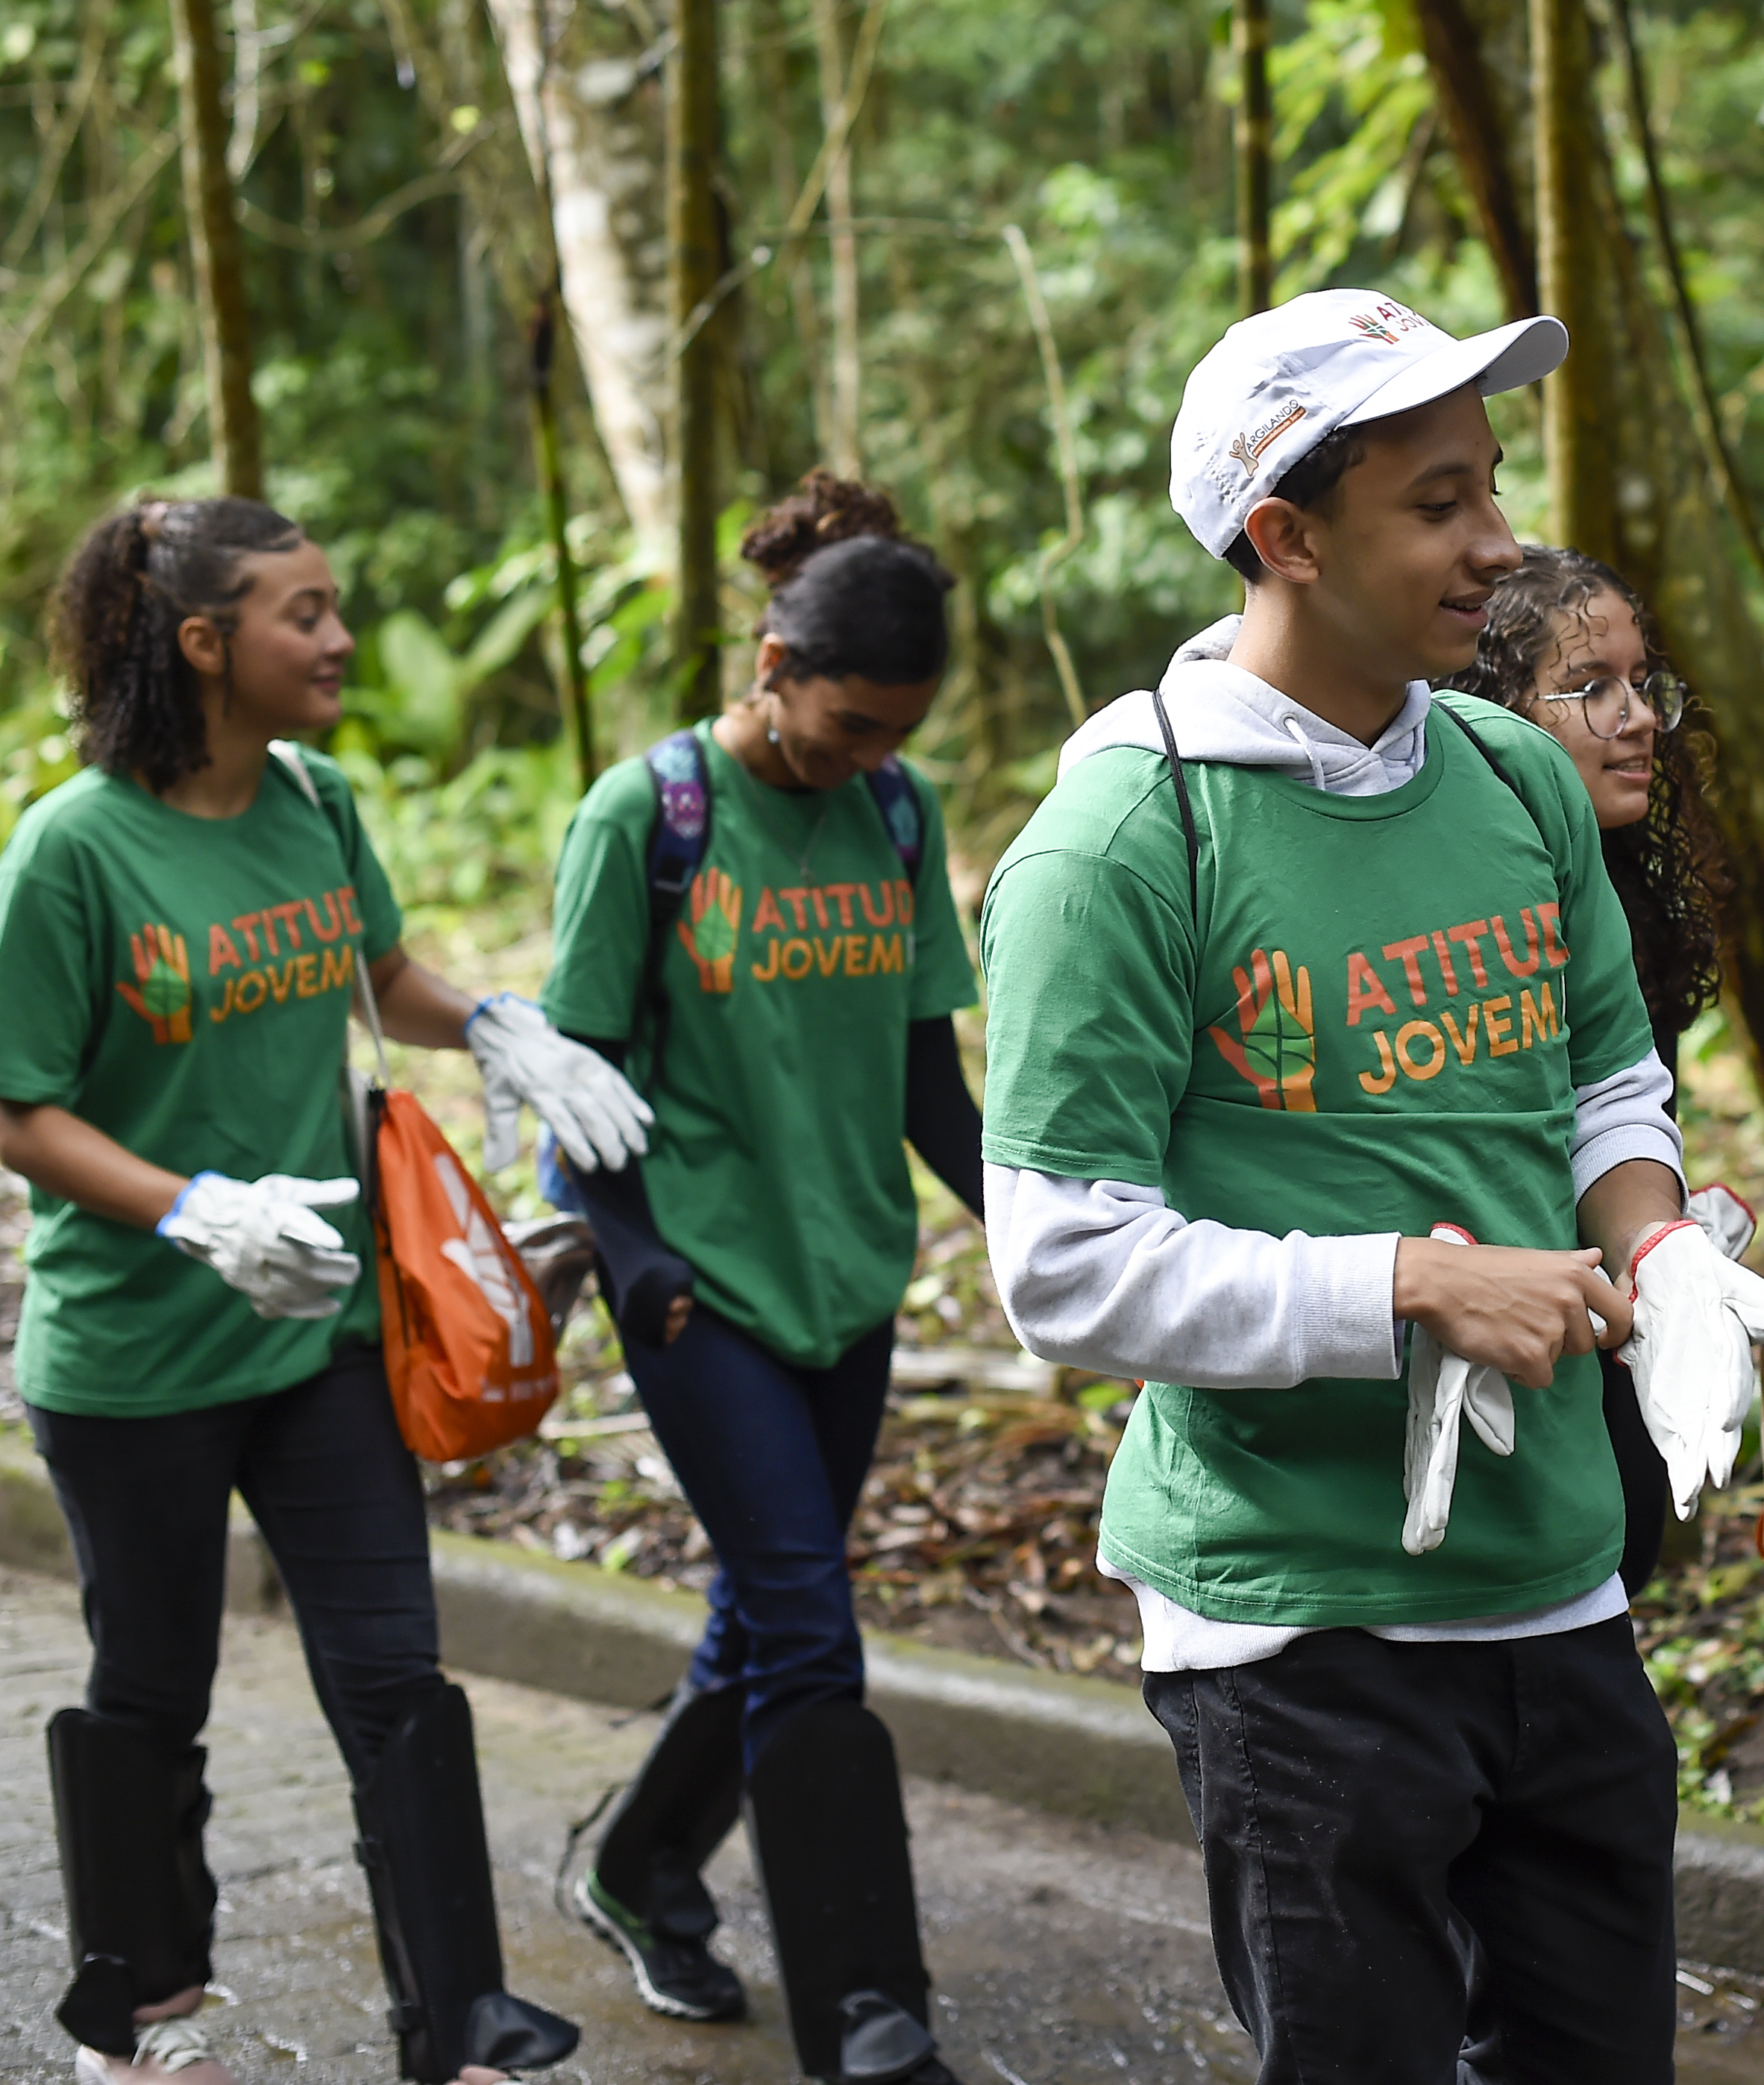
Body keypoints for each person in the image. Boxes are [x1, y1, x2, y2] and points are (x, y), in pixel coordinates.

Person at [976, 289, 1764, 2084]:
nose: (1496, 546)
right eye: (1439, 504)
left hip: (1563, 1591)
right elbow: (1057, 1264)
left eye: (1492, 488)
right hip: (1297, 1623)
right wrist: (1412, 1289)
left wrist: (1658, 1251)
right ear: (1284, 535)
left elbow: (1602, 1074)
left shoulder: (1514, 774)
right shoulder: (1130, 838)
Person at [0, 497, 630, 2085]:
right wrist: (193, 1207)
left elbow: (373, 972)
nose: (339, 641)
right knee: (151, 1687)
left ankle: (461, 2014)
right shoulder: (75, 848)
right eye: (305, 614)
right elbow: (20, 1110)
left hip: (324, 1332)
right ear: (205, 645)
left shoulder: (317, 802)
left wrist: (491, 1026)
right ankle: (133, 1997)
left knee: (396, 1673)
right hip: (137, 1353)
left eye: (337, 609)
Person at [539, 474, 985, 2085]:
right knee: (809, 1628)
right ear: (775, 662)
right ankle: (870, 2008)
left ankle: (639, 1861)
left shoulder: (893, 808)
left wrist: (1039, 1224)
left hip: (848, 1281)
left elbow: (928, 1074)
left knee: (760, 1606)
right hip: (698, 1289)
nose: (873, 755)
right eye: (853, 722)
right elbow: (566, 1081)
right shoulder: (644, 818)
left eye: (899, 730)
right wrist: (638, 1262)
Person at [1454, 546, 1737, 1595]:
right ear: (1495, 714)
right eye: (1589, 689)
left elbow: (1618, 1104)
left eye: (1641, 683)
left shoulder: (1631, 886)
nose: (1640, 716)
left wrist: (1671, 1229)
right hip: (1490, 1333)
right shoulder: (1466, 897)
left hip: (1611, 1327)